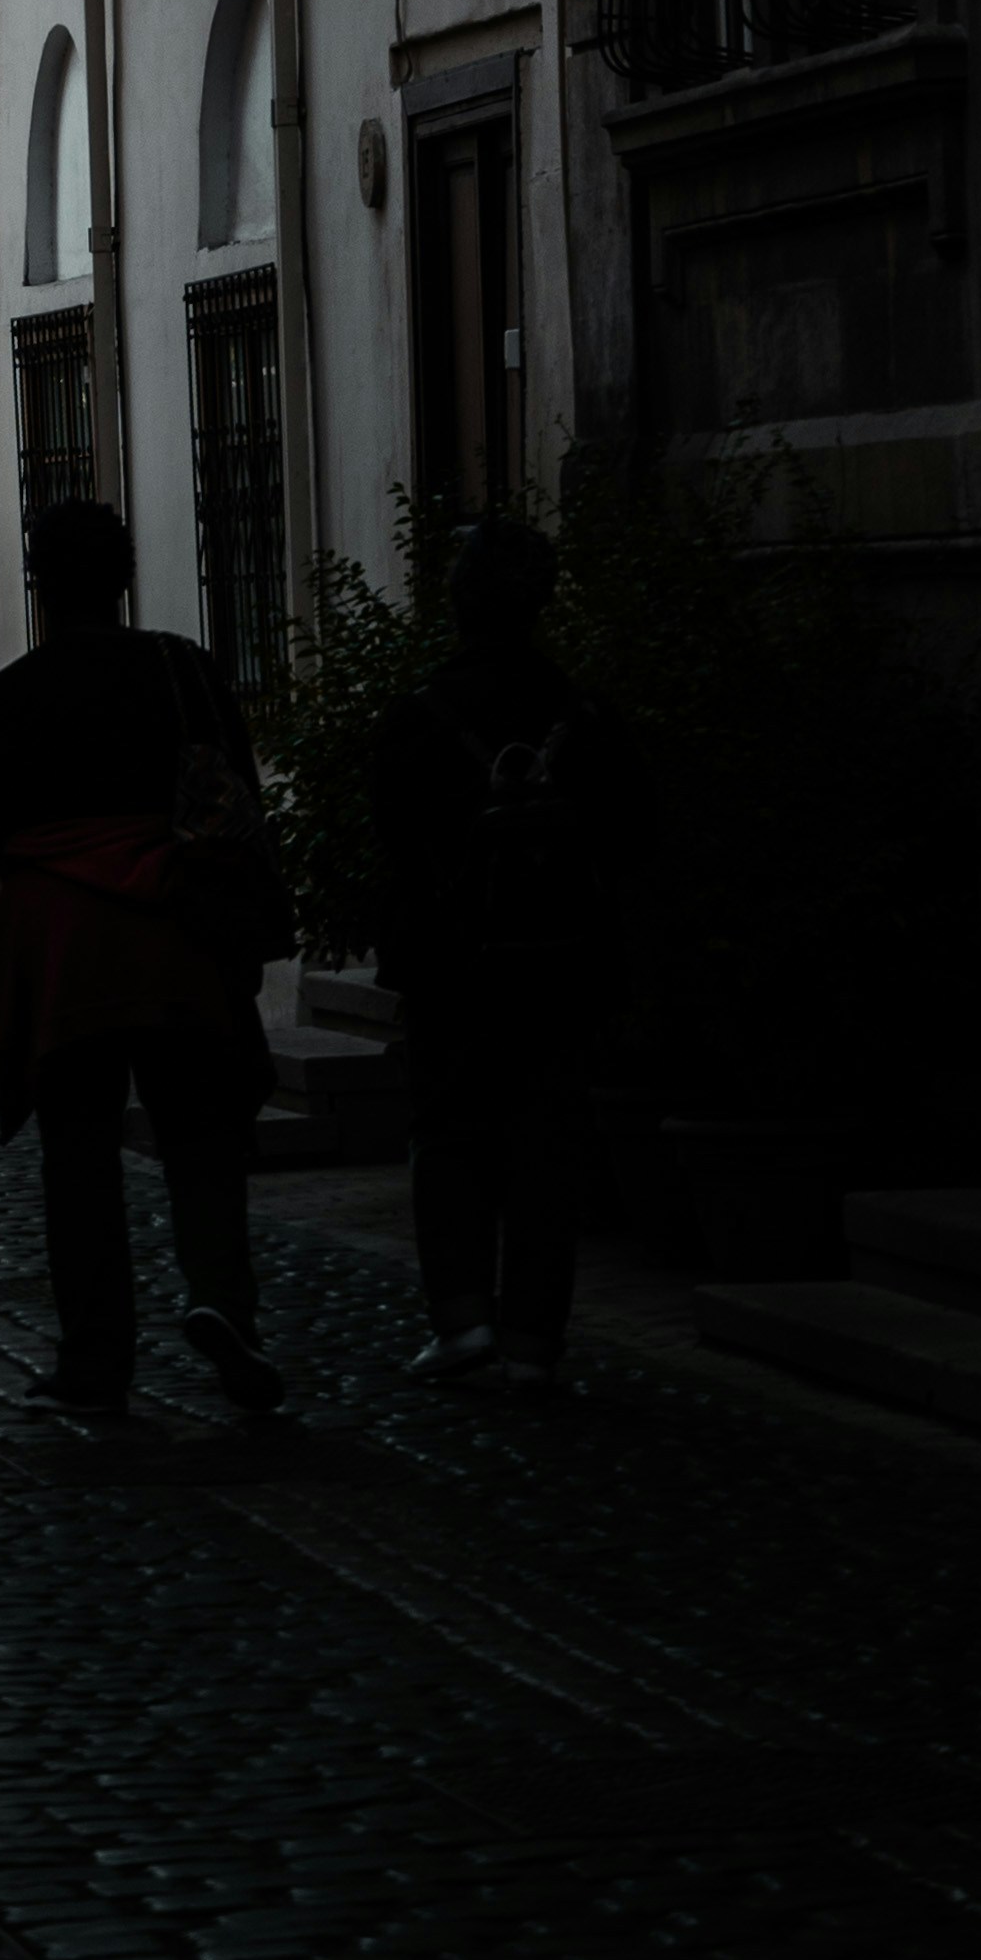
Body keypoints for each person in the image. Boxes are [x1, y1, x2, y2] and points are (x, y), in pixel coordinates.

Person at [0, 492, 285, 1423]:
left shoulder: (4, 704)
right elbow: (238, 807)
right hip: (176, 936)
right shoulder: (187, 672)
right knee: (202, 1135)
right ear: (125, 580)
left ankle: (96, 1356)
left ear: (39, 584)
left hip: (62, 959)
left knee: (78, 1156)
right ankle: (222, 1300)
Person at [372, 511, 628, 1386]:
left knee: (448, 1138)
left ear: (456, 603)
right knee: (547, 1148)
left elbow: (392, 846)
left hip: (452, 967)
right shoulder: (586, 716)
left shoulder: (418, 718)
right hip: (558, 964)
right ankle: (532, 1338)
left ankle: (462, 1320)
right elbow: (630, 845)